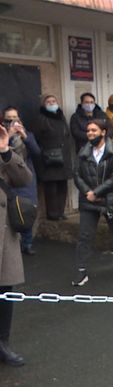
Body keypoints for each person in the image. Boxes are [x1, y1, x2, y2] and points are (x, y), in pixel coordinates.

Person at [71, 119, 113, 287]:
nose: (90, 133)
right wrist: (88, 192)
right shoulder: (83, 152)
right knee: (85, 236)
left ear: (103, 132)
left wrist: (97, 192)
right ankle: (80, 271)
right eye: (88, 131)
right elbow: (77, 174)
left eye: (94, 130)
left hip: (110, 199)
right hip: (89, 200)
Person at [0, 123, 33, 366]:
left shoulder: (5, 152)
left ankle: (3, 343)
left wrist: (4, 150)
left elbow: (24, 178)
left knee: (5, 290)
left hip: (4, 233)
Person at [3, 107, 40, 255]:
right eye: (9, 118)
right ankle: (11, 246)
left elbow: (37, 153)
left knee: (26, 210)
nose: (13, 121)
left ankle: (27, 243)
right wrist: (9, 135)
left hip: (26, 179)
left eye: (15, 118)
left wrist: (25, 136)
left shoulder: (27, 134)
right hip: (8, 180)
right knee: (9, 213)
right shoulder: (2, 135)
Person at [32, 94, 74, 221]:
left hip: (64, 158)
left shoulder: (61, 117)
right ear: (43, 104)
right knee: (51, 187)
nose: (51, 103)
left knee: (63, 185)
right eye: (48, 101)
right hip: (49, 158)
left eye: (54, 101)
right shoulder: (41, 119)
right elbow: (35, 138)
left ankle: (61, 212)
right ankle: (53, 214)